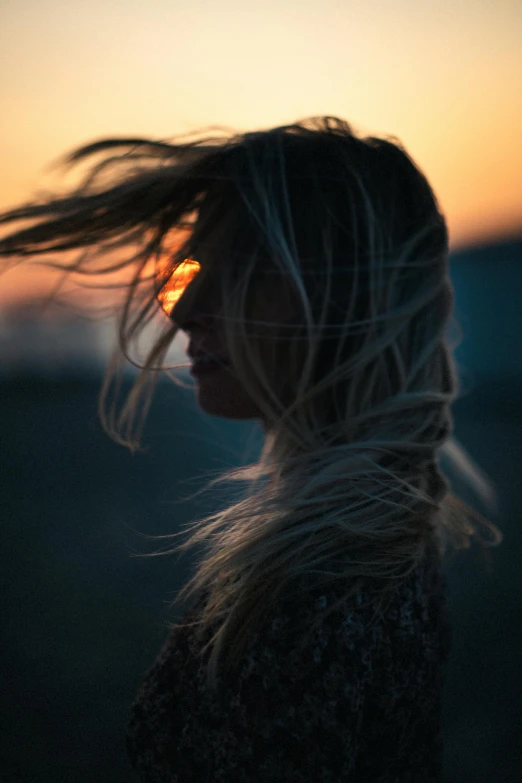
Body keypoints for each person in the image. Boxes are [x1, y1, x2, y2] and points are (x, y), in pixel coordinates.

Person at [0, 116, 502, 781]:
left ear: (349, 297)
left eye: (248, 267)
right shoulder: (385, 528)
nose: (182, 309)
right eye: (189, 268)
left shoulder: (320, 584)